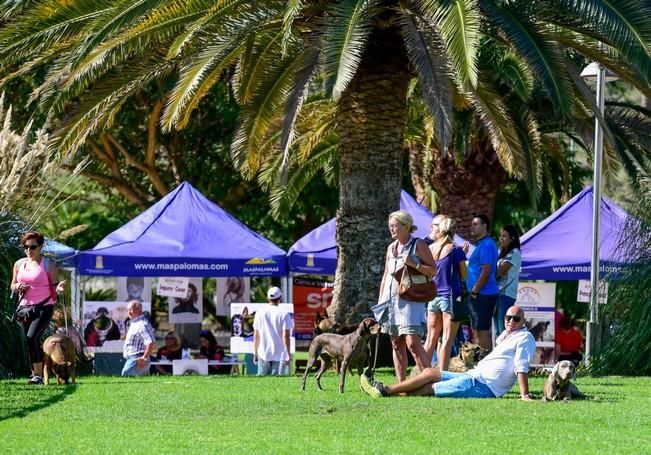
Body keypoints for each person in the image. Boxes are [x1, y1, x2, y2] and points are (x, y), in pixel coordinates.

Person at [360, 305, 536, 401]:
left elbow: (521, 366)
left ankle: (385, 391)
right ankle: (385, 390)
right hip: (474, 376)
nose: (511, 321)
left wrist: (525, 394)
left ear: (523, 321)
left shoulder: (525, 338)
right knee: (429, 372)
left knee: (429, 388)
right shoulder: (507, 336)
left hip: (484, 386)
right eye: (508, 318)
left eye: (516, 319)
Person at [378, 210, 437, 382]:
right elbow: (385, 275)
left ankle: (430, 381)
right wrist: (381, 300)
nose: (392, 229)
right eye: (390, 226)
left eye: (395, 226)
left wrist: (415, 263)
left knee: (412, 342)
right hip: (390, 300)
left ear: (406, 226)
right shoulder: (391, 247)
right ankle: (401, 384)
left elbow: (433, 270)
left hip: (411, 299)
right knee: (396, 342)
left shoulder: (418, 244)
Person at [10, 231, 66, 385]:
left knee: (31, 337)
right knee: (29, 341)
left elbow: (55, 286)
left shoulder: (48, 264)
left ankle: (38, 376)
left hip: (44, 307)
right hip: (24, 308)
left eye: (32, 247)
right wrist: (18, 286)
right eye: (25, 247)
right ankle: (35, 374)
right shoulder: (19, 264)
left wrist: (59, 289)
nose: (29, 250)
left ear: (40, 246)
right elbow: (12, 284)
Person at [424, 215, 467, 371]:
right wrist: (463, 256)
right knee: (447, 340)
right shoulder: (456, 250)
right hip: (450, 298)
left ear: (440, 230)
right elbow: (464, 275)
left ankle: (422, 374)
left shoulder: (430, 249)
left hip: (433, 297)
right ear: (454, 231)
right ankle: (441, 377)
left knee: (430, 339)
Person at [466, 214, 499, 351]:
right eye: (472, 224)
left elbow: (486, 271)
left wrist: (475, 291)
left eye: (475, 224)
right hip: (481, 294)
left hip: (483, 294)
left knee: (482, 332)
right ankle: (480, 364)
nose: (472, 227)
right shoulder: (483, 244)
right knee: (477, 332)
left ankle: (484, 365)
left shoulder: (486, 245)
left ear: (485, 226)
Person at [253, 286, 293, 376]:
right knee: (277, 384)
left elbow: (256, 336)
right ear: (280, 298)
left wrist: (255, 353)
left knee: (262, 384)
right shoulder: (284, 314)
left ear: (268, 298)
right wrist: (288, 354)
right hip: (279, 354)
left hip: (263, 353)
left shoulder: (259, 313)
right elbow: (286, 336)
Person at [494, 225, 522, 335]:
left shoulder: (515, 253)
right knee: (497, 331)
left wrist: (485, 276)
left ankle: (506, 352)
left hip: (506, 295)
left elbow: (499, 272)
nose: (501, 238)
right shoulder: (502, 253)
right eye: (500, 236)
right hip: (497, 294)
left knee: (504, 330)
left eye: (504, 236)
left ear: (512, 238)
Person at [122, 300, 156, 376]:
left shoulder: (142, 324)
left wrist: (144, 358)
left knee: (126, 379)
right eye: (128, 310)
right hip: (135, 358)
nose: (129, 312)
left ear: (138, 310)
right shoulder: (135, 323)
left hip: (137, 359)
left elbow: (150, 342)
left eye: (131, 310)